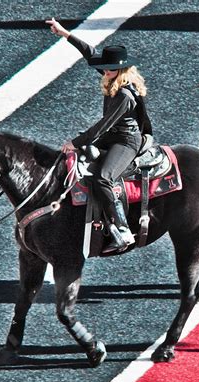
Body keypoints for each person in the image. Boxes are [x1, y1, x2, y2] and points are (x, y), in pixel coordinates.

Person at [46, 18, 152, 253]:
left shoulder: (125, 94)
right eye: (104, 67)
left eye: (109, 68)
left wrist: (75, 142)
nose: (104, 70)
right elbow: (90, 54)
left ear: (122, 70)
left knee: (103, 177)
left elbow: (104, 125)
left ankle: (122, 229)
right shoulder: (112, 76)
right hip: (112, 135)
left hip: (125, 140)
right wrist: (65, 33)